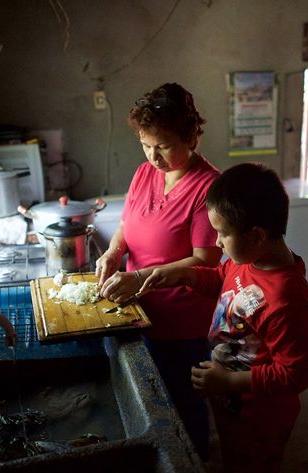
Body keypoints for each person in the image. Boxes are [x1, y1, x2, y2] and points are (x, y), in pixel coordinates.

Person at [138, 163, 308, 473]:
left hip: (261, 418)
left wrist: (229, 380)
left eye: (222, 234)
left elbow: (300, 372)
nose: (217, 243)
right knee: (233, 457)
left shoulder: (287, 300)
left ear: (257, 236)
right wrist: (184, 275)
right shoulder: (248, 260)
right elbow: (223, 279)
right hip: (231, 403)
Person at [95, 82, 223, 460]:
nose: (154, 156)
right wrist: (114, 252)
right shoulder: (143, 174)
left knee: (184, 401)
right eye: (146, 144)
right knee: (151, 398)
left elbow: (206, 259)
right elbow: (126, 224)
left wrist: (140, 278)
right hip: (138, 310)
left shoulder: (208, 187)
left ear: (190, 137)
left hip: (181, 321)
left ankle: (193, 462)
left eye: (163, 145)